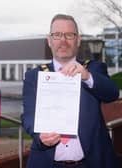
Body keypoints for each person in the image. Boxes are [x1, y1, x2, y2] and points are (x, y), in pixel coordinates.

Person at [21, 14, 120, 168]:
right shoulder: (34, 76)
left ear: (78, 40)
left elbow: (112, 93)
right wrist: (39, 135)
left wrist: (87, 77)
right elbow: (28, 116)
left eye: (69, 35)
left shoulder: (94, 68)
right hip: (47, 163)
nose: (63, 40)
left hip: (91, 163)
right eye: (57, 35)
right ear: (49, 40)